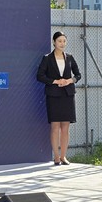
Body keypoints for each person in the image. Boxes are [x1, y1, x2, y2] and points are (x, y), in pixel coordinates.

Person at [37, 31, 81, 166]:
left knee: (65, 127)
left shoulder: (70, 57)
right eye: (59, 41)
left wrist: (69, 81)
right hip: (53, 95)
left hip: (67, 95)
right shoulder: (47, 58)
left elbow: (78, 75)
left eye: (64, 41)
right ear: (54, 42)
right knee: (55, 126)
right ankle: (56, 157)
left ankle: (63, 156)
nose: (62, 43)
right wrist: (56, 81)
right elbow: (40, 76)